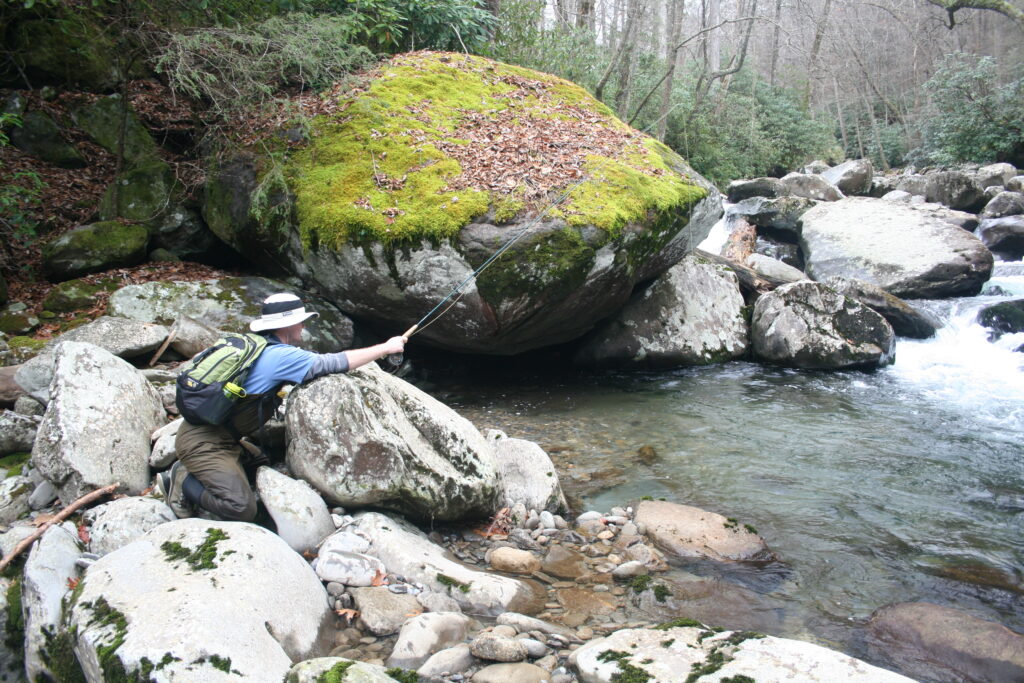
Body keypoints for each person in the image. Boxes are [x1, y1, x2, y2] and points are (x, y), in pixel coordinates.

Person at [158, 292, 406, 521]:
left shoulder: (262, 346)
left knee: (262, 461)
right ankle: (182, 480)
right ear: (288, 324)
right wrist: (386, 348)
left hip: (220, 437)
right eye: (301, 321)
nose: (303, 326)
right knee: (241, 508)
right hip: (204, 443)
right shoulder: (281, 357)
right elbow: (334, 362)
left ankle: (208, 469)